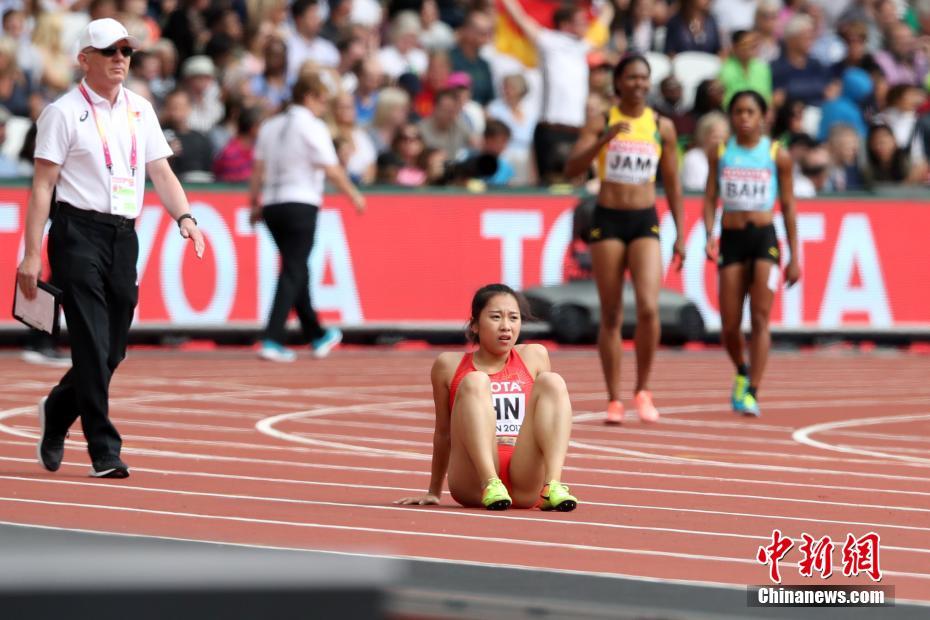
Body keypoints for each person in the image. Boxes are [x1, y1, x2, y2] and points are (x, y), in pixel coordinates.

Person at [16, 18, 205, 479]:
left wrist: (186, 217)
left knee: (110, 351)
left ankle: (58, 411)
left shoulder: (141, 109)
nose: (121, 58)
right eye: (110, 51)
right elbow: (43, 187)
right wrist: (31, 253)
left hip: (124, 235)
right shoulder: (61, 113)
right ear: (85, 59)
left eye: (126, 51)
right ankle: (104, 448)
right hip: (76, 232)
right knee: (90, 343)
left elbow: (161, 171)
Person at [564, 54, 686, 425]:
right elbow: (571, 169)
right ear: (618, 83)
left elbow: (673, 183)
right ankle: (614, 398)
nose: (638, 84)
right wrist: (603, 140)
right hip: (608, 219)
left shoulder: (661, 126)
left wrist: (681, 232)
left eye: (643, 78)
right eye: (631, 78)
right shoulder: (602, 120)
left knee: (649, 307)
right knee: (612, 312)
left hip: (645, 219)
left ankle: (643, 390)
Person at [395, 283, 577, 512]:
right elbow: (443, 432)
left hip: (524, 476)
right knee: (475, 380)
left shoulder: (535, 356)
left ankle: (552, 485)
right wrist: (433, 491)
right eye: (495, 317)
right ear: (474, 325)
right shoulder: (448, 366)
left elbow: (548, 422)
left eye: (513, 318)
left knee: (554, 382)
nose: (506, 327)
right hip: (473, 482)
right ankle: (491, 481)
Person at [249, 70, 365, 363]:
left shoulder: (270, 126)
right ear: (310, 96)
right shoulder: (313, 126)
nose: (324, 107)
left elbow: (258, 169)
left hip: (273, 206)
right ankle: (273, 338)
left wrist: (254, 203)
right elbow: (331, 167)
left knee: (296, 267)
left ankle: (316, 334)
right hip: (300, 203)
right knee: (293, 270)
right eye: (322, 100)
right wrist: (353, 194)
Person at [702, 90, 800, 417]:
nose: (744, 118)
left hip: (764, 239)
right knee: (729, 324)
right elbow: (709, 198)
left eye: (750, 112)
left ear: (762, 117)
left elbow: (787, 206)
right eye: (738, 112)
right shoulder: (721, 152)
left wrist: (795, 256)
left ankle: (753, 390)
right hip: (731, 238)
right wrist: (709, 234)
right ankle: (741, 370)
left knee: (760, 317)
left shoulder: (776, 154)